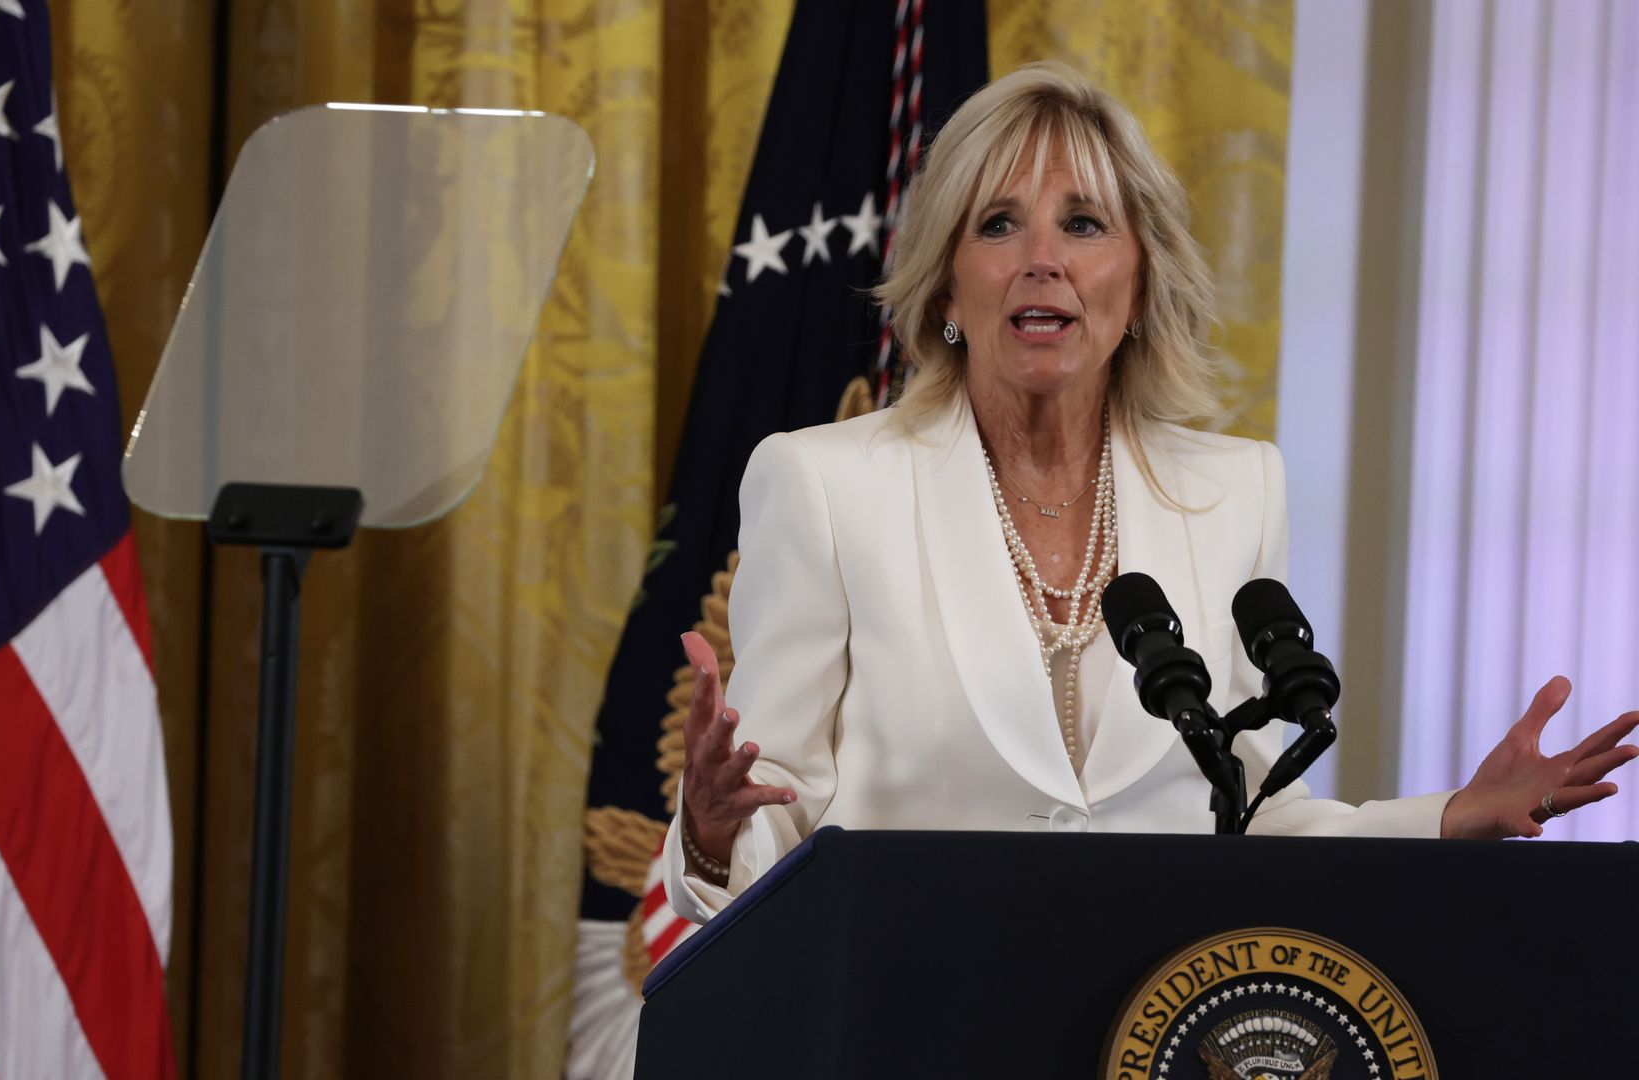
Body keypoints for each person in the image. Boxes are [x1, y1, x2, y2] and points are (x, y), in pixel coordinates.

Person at [662, 61, 1639, 925]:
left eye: (1082, 223)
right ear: (947, 289)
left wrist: (1448, 818)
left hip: (1150, 1020)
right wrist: (710, 832)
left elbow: (1250, 813)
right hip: (910, 1007)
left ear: (1137, 282)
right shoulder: (826, 484)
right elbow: (769, 809)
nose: (1042, 256)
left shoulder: (1232, 492)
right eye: (998, 223)